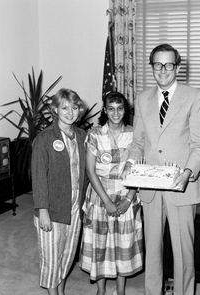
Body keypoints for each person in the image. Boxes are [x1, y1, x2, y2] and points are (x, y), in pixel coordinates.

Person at [122, 44, 200, 295]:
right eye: (157, 65)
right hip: (149, 187)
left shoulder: (195, 97)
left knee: (184, 252)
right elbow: (138, 142)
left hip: (181, 186)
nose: (163, 70)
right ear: (152, 67)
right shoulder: (141, 99)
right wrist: (130, 163)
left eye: (169, 65)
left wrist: (188, 172)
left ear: (178, 67)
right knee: (153, 252)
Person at [80, 91, 143, 295]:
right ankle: (101, 289)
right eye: (111, 108)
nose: (116, 113)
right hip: (100, 195)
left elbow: (137, 170)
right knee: (100, 243)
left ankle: (121, 289)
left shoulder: (135, 134)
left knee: (123, 244)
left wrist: (128, 198)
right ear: (105, 110)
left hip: (126, 193)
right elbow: (90, 171)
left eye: (120, 108)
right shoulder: (95, 134)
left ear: (125, 110)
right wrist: (106, 201)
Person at [31, 88, 87, 295]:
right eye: (64, 107)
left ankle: (61, 292)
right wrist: (42, 209)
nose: (70, 112)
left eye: (74, 107)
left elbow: (88, 173)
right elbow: (38, 176)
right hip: (52, 210)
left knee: (67, 254)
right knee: (52, 257)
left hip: (74, 208)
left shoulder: (82, 136)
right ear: (55, 109)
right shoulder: (45, 138)